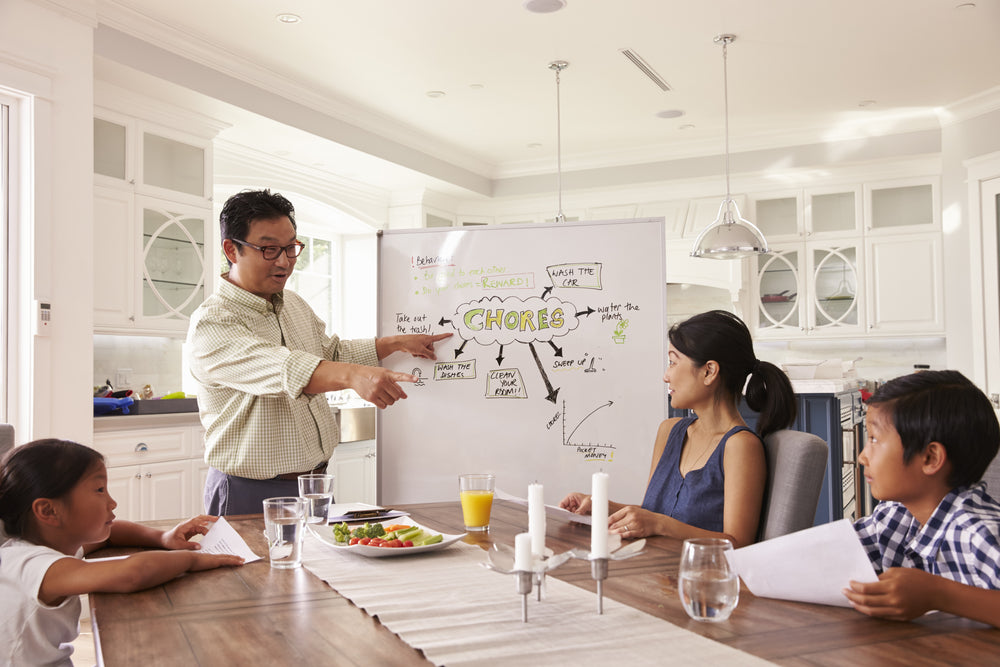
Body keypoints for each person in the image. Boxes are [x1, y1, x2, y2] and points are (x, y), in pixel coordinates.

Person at [186, 189, 452, 515]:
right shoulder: (212, 322)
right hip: (247, 491)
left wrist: (395, 343)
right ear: (232, 249)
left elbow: (332, 352)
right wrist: (354, 376)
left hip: (314, 487)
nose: (285, 261)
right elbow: (283, 368)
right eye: (269, 249)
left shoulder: (294, 305)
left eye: (291, 248)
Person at [559, 310, 796, 548]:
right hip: (653, 570)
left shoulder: (740, 446)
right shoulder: (669, 431)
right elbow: (655, 513)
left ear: (709, 371)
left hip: (698, 579)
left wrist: (659, 524)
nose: (666, 375)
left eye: (673, 362)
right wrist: (603, 506)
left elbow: (736, 543)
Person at [0, 439, 244, 666]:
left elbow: (112, 534)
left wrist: (161, 537)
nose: (112, 502)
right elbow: (133, 573)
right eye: (99, 490)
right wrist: (192, 559)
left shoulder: (52, 548)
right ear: (48, 511)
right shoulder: (28, 565)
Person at [843, 370, 1000, 626]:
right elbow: (833, 552)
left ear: (930, 458)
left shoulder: (980, 533)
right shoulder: (895, 515)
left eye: (874, 439)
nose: (862, 456)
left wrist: (938, 594)